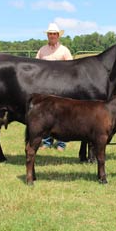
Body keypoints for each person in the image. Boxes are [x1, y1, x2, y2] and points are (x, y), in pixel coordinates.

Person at [36, 22, 73, 151]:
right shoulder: (42, 51)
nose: (52, 36)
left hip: (61, 87)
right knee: (47, 115)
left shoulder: (64, 51)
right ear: (48, 35)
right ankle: (47, 141)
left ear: (58, 35)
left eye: (54, 34)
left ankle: (61, 143)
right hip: (45, 87)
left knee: (62, 114)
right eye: (50, 34)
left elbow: (71, 68)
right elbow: (36, 67)